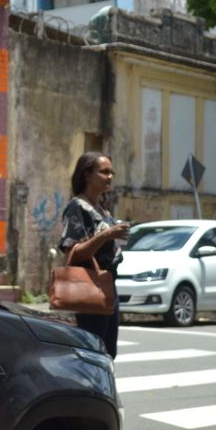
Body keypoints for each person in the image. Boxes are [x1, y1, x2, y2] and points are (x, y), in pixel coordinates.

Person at [59, 151, 130, 358]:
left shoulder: (102, 207)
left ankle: (103, 389)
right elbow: (73, 251)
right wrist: (108, 234)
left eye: (111, 172)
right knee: (93, 351)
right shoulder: (77, 207)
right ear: (87, 175)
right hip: (89, 286)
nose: (110, 176)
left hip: (108, 284)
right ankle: (90, 390)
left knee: (108, 351)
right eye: (104, 172)